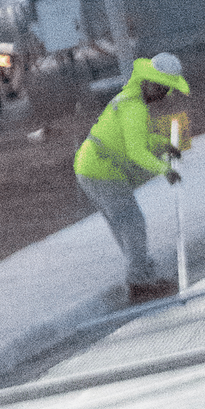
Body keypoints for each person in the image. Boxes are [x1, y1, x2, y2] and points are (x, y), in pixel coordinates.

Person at [74, 52, 191, 301]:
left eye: (167, 90)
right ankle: (139, 284)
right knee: (132, 224)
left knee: (125, 225)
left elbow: (138, 139)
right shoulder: (133, 107)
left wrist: (162, 144)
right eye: (161, 89)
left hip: (92, 167)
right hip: (101, 170)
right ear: (149, 82)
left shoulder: (132, 101)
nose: (163, 96)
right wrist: (165, 170)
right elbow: (136, 151)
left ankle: (143, 277)